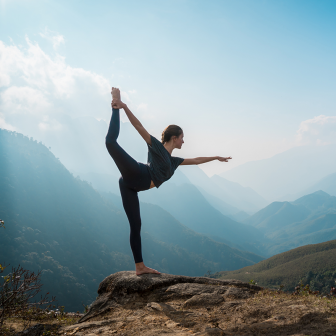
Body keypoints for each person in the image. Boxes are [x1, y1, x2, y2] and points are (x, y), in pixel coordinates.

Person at [106, 87, 232, 275]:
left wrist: (215, 157)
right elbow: (139, 126)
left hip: (131, 186)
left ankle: (139, 267)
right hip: (139, 174)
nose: (184, 142)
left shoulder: (174, 161)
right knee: (110, 142)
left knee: (136, 225)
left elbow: (197, 160)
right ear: (174, 138)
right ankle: (114, 104)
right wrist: (122, 106)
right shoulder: (157, 147)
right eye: (182, 138)